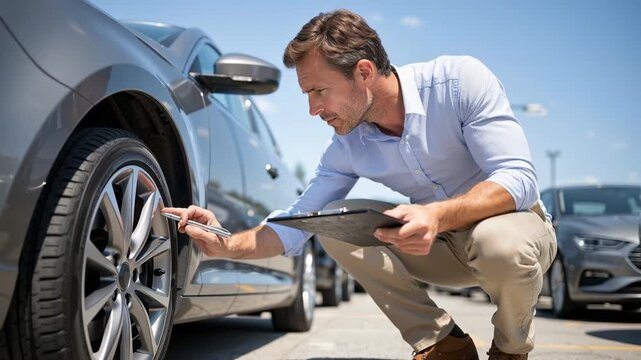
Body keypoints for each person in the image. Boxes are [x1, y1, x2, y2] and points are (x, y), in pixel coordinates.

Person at [162, 9, 556, 360]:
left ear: (364, 72)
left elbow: (517, 178)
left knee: (499, 243)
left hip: (514, 234)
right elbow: (296, 223)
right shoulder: (347, 145)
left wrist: (437, 214)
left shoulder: (458, 83)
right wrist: (226, 243)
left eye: (319, 91)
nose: (313, 109)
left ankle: (510, 350)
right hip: (440, 249)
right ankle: (443, 343)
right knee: (331, 220)